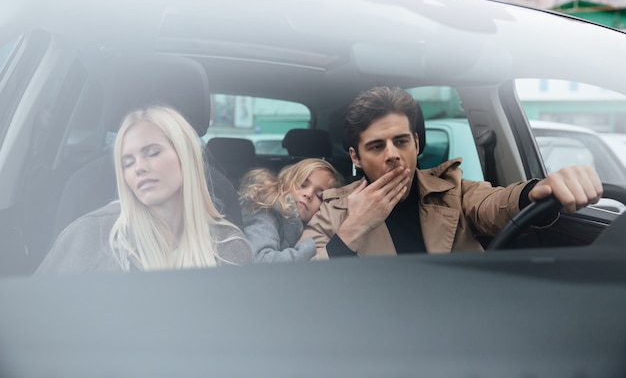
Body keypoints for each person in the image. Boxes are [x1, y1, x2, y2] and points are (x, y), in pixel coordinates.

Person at [299, 86, 603, 258]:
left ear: (416, 144)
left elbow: (496, 203)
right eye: (377, 146)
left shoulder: (452, 189)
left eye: (401, 141)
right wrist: (354, 226)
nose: (393, 155)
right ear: (356, 157)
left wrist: (536, 191)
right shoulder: (332, 208)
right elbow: (300, 283)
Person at [36, 106, 252, 274]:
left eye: (152, 153)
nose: (139, 167)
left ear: (184, 155)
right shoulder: (91, 235)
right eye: (128, 163)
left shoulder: (230, 246)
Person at [239, 158, 343, 263]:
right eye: (302, 185)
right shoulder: (267, 210)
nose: (308, 194)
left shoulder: (307, 226)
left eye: (319, 196)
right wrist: (311, 250)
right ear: (287, 181)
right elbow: (261, 260)